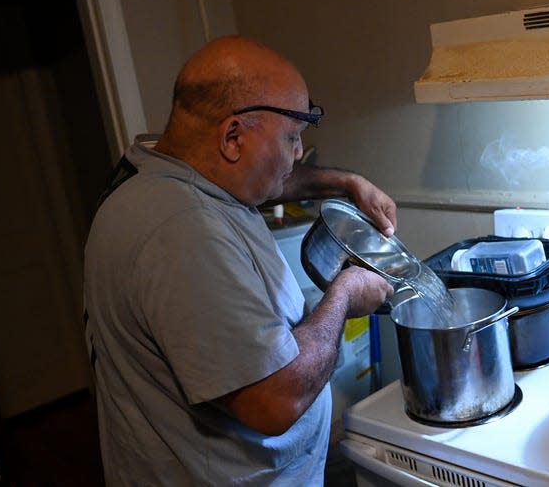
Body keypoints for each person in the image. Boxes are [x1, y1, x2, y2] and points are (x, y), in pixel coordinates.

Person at [83, 35, 397, 485]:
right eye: (292, 138)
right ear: (232, 136)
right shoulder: (181, 231)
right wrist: (344, 294)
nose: (296, 154)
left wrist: (345, 182)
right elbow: (274, 401)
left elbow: (266, 179)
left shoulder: (163, 167)